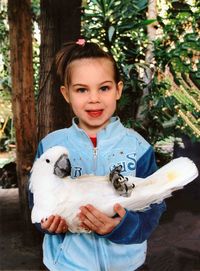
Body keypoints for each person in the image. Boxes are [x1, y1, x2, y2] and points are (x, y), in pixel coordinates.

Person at [29, 39, 166, 271]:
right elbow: (37, 200)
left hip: (127, 265)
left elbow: (154, 205)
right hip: (67, 265)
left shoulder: (139, 147)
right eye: (82, 89)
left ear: (118, 90)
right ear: (66, 94)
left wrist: (119, 226)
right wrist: (47, 225)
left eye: (104, 88)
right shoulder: (51, 146)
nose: (94, 98)